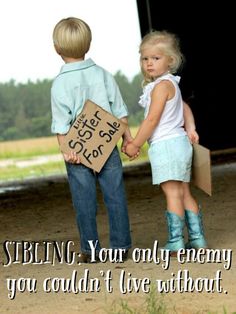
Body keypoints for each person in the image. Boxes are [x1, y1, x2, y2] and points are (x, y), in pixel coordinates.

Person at [51, 17, 132, 262]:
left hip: (78, 150)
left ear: (56, 48)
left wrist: (67, 150)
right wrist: (128, 139)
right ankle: (120, 246)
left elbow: (61, 125)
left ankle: (91, 250)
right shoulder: (104, 75)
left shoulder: (60, 84)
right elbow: (120, 112)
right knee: (115, 195)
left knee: (83, 200)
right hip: (107, 146)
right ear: (88, 44)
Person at [125, 30, 207, 254]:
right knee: (185, 192)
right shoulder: (171, 84)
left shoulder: (161, 87)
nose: (149, 63)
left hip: (166, 146)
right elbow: (185, 107)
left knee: (172, 194)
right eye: (145, 58)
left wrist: (135, 144)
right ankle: (198, 239)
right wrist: (190, 128)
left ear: (170, 61)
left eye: (156, 58)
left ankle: (176, 241)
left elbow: (152, 120)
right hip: (180, 143)